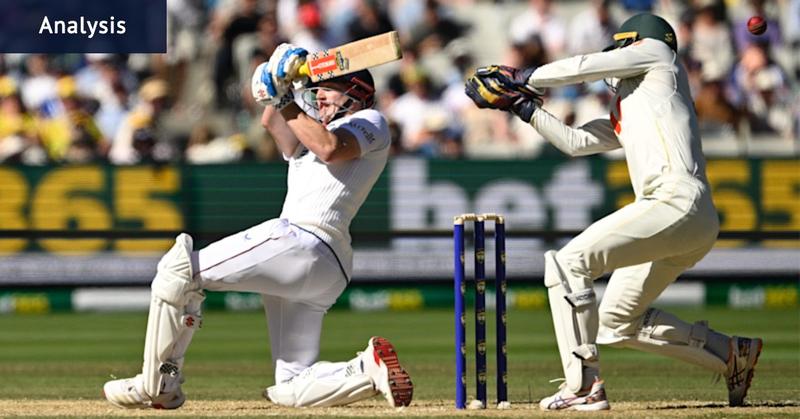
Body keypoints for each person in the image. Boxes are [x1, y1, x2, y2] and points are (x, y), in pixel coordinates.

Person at [465, 13, 761, 411]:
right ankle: (730, 353)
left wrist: (522, 76)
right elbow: (575, 142)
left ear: (635, 44)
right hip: (690, 217)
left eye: (621, 51)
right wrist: (522, 106)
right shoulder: (640, 103)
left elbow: (584, 66)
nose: (616, 61)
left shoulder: (658, 55)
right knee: (616, 322)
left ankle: (583, 386)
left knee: (569, 263)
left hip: (675, 201)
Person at [103, 43, 412, 409]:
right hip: (324, 265)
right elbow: (273, 122)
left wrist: (285, 98)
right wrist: (277, 78)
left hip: (303, 240)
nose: (320, 98)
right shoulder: (306, 140)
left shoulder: (370, 122)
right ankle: (366, 369)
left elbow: (330, 147)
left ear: (357, 92)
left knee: (178, 269)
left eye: (328, 89)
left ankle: (158, 385)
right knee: (292, 386)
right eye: (317, 92)